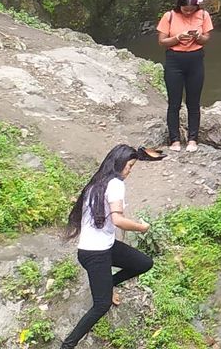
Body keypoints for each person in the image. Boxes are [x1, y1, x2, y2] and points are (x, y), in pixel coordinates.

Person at [58, 144, 160, 348]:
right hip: (95, 254)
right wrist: (142, 227)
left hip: (104, 247)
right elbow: (118, 220)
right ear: (119, 163)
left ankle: (108, 284)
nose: (129, 171)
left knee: (143, 263)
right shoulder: (115, 184)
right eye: (129, 166)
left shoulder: (97, 182)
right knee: (102, 304)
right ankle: (68, 345)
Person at [156, 0, 212, 152]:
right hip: (174, 60)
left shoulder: (203, 15)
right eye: (185, 9)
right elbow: (162, 41)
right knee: (174, 103)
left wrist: (198, 37)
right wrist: (177, 38)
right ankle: (174, 140)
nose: (188, 13)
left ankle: (193, 139)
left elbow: (206, 38)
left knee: (193, 103)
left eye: (191, 10)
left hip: (196, 59)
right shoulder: (169, 16)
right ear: (179, 5)